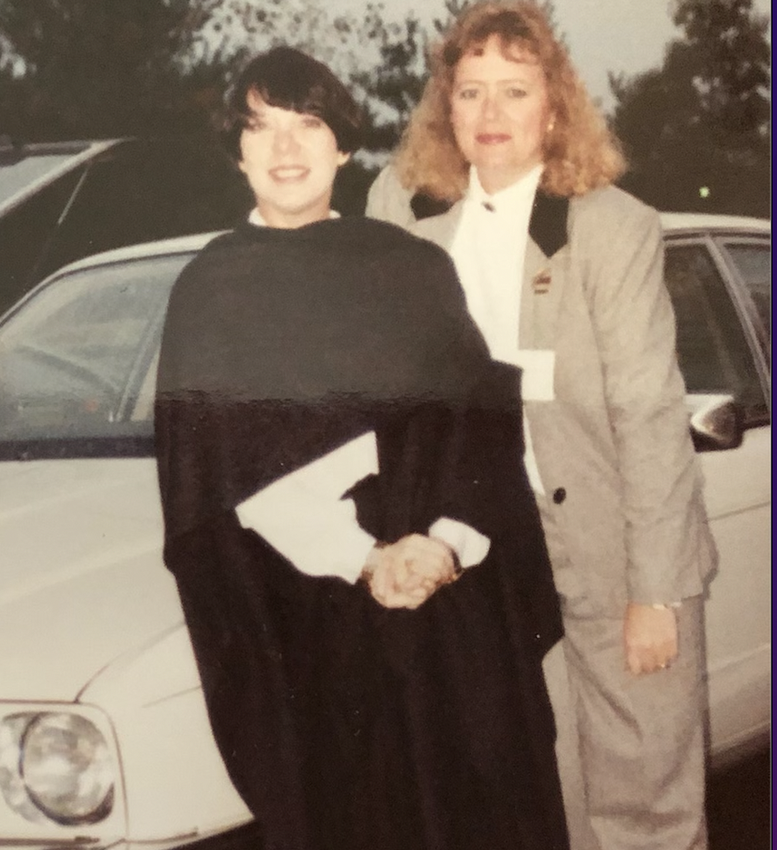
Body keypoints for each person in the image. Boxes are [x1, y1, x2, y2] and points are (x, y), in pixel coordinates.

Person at [154, 45, 569, 850]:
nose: (285, 149)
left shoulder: (408, 269)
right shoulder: (212, 292)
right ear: (235, 153)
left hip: (447, 614)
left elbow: (477, 422)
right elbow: (220, 474)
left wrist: (446, 544)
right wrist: (360, 557)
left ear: (342, 145)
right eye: (261, 128)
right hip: (311, 621)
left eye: (307, 125)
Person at [365, 4, 718, 849]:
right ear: (445, 108)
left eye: (514, 93)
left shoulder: (609, 228)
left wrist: (654, 591)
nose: (490, 116)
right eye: (472, 92)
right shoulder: (403, 214)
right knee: (538, 805)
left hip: (609, 547)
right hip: (481, 555)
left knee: (644, 811)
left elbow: (647, 415)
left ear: (554, 109)